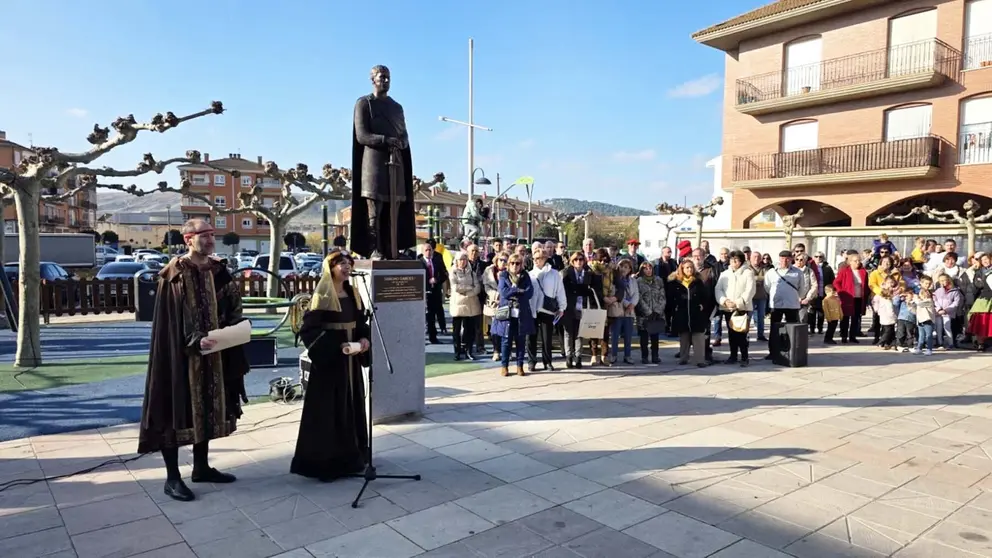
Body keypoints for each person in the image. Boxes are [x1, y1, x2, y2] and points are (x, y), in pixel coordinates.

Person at [137, 218, 250, 502]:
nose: (211, 240)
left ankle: (201, 468)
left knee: (209, 408)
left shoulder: (219, 270)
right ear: (189, 239)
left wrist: (233, 327)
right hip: (181, 357)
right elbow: (172, 317)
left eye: (212, 234)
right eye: (204, 235)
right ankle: (172, 478)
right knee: (175, 411)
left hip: (215, 352)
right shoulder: (174, 273)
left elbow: (232, 303)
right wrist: (194, 339)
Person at [292, 251, 371, 481]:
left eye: (349, 263)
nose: (346, 267)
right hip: (331, 363)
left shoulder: (353, 292)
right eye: (341, 264)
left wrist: (364, 338)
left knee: (353, 405)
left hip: (351, 360)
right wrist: (335, 346)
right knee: (330, 411)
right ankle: (327, 463)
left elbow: (361, 321)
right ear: (331, 268)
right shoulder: (322, 295)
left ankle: (354, 457)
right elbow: (309, 330)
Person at [350, 65, 416, 260]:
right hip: (374, 163)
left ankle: (392, 248)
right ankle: (374, 248)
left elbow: (404, 135)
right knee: (375, 210)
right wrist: (385, 140)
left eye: (388, 77)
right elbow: (362, 135)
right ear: (373, 80)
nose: (386, 81)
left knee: (394, 209)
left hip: (396, 162)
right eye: (382, 77)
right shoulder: (364, 103)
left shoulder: (396, 107)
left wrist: (401, 142)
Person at [492, 254, 535, 376]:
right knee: (506, 341)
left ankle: (519, 366)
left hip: (521, 313)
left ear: (521, 265)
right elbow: (503, 292)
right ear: (508, 264)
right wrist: (517, 290)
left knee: (521, 341)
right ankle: (504, 366)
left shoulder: (525, 276)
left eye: (517, 263)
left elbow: (529, 292)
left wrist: (514, 291)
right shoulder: (504, 275)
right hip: (507, 314)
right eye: (512, 263)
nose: (515, 266)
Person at [763, 250, 807, 359]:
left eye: (787, 258)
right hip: (776, 305)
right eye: (782, 258)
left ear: (791, 259)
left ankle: (791, 351)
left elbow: (802, 288)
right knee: (774, 330)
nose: (785, 260)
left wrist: (798, 297)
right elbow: (767, 287)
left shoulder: (798, 272)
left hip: (792, 304)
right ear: (779, 259)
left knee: (792, 330)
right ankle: (773, 352)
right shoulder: (772, 272)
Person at [715, 250, 756, 366]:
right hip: (728, 308)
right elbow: (718, 289)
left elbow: (750, 290)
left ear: (741, 261)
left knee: (741, 334)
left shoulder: (748, 273)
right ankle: (733, 356)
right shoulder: (724, 274)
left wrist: (738, 303)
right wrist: (724, 301)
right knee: (731, 334)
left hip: (742, 308)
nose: (733, 263)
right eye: (732, 260)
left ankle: (744, 357)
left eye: (736, 260)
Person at [528, 247, 566, 371]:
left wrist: (562, 307)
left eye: (539, 258)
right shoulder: (530, 274)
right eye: (534, 258)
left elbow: (560, 291)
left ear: (545, 258)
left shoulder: (554, 274)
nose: (536, 260)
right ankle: (532, 361)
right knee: (531, 337)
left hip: (547, 309)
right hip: (533, 309)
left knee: (547, 337)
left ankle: (547, 361)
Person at [562, 251, 600, 369]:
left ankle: (578, 357)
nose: (578, 262)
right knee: (568, 332)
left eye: (581, 259)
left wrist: (582, 290)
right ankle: (569, 356)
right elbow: (565, 289)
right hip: (569, 305)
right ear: (572, 261)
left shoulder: (589, 273)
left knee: (580, 333)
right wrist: (581, 289)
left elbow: (593, 288)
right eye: (576, 260)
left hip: (583, 305)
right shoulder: (566, 272)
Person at [669, 258, 708, 367]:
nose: (689, 269)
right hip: (682, 314)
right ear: (682, 269)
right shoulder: (676, 283)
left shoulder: (698, 282)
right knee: (684, 337)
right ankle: (683, 358)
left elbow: (705, 296)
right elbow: (671, 299)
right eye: (687, 268)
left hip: (696, 314)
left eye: (691, 267)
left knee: (698, 338)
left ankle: (700, 360)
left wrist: (702, 305)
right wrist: (674, 310)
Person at [449, 251, 482, 360]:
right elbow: (456, 287)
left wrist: (469, 293)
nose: (463, 262)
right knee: (456, 330)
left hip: (470, 304)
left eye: (464, 259)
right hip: (458, 304)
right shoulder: (453, 272)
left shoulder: (471, 273)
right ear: (456, 261)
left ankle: (469, 351)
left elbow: (477, 287)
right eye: (460, 259)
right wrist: (469, 288)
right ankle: (457, 352)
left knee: (470, 330)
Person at [833, 252, 868, 344]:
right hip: (847, 297)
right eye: (855, 261)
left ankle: (853, 336)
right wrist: (841, 292)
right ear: (850, 262)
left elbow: (866, 285)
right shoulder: (844, 271)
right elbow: (836, 282)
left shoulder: (863, 271)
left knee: (856, 318)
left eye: (859, 261)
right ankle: (844, 336)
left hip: (859, 297)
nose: (857, 262)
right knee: (845, 318)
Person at [610, 258, 640, 365]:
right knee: (615, 334)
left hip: (630, 311)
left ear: (630, 269)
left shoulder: (633, 281)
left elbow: (636, 294)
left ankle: (628, 356)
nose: (623, 269)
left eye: (626, 267)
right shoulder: (614, 279)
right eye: (621, 266)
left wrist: (632, 305)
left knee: (628, 335)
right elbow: (616, 294)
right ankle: (613, 355)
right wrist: (627, 304)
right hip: (618, 309)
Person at [636, 261, 666, 364]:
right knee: (644, 337)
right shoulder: (639, 281)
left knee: (655, 337)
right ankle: (644, 356)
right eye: (645, 269)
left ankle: (655, 356)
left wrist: (657, 310)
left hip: (657, 314)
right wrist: (648, 311)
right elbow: (639, 298)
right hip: (644, 314)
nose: (648, 270)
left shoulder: (658, 280)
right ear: (642, 270)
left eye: (650, 268)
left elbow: (662, 296)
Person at [419, 242, 447, 343]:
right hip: (424, 293)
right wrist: (427, 282)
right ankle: (426, 337)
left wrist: (437, 280)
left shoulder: (437, 261)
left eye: (430, 250)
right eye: (426, 250)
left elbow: (444, 275)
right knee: (427, 316)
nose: (428, 252)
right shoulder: (419, 262)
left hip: (436, 292)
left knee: (435, 314)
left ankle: (434, 337)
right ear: (423, 252)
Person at [482, 252, 508, 359]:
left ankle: (506, 351)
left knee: (505, 329)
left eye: (505, 260)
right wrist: (495, 295)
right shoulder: (489, 270)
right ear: (496, 260)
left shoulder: (510, 271)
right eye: (501, 260)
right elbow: (486, 286)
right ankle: (496, 351)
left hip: (506, 303)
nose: (503, 262)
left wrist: (503, 296)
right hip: (493, 303)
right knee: (494, 329)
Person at [967, 252, 992, 352]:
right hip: (984, 298)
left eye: (986, 259)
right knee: (981, 321)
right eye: (982, 260)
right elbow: (977, 285)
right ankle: (980, 344)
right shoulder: (979, 272)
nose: (985, 261)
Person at [873, 277, 898, 350]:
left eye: (892, 282)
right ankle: (881, 343)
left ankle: (890, 343)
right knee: (887, 330)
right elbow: (875, 301)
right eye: (889, 282)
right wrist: (876, 309)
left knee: (891, 330)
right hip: (886, 315)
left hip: (890, 315)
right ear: (885, 283)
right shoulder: (881, 292)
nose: (890, 284)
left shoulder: (894, 291)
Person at [911, 283, 936, 355]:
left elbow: (921, 304)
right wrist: (911, 304)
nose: (924, 294)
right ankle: (919, 348)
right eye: (921, 293)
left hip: (928, 320)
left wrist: (916, 300)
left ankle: (929, 349)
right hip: (920, 321)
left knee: (929, 336)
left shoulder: (929, 301)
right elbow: (914, 310)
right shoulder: (919, 301)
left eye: (926, 293)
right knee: (921, 336)